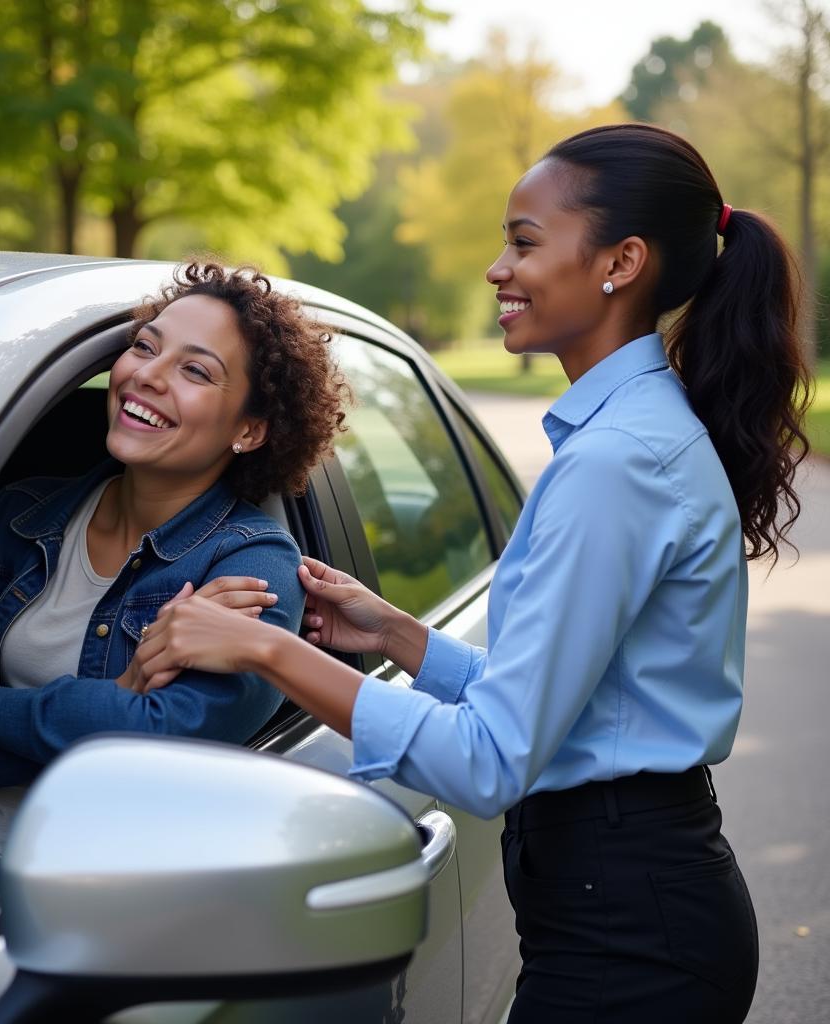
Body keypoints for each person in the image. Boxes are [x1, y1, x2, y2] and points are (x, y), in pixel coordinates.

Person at [132, 125, 812, 1023]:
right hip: (627, 907)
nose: (498, 268)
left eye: (525, 242)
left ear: (622, 262)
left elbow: (492, 760)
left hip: (629, 944)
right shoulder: (630, 435)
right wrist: (402, 639)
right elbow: (580, 709)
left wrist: (265, 650)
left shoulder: (618, 461)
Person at [0, 262, 348, 900]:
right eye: (146, 346)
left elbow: (155, 746)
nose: (147, 374)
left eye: (195, 370)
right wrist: (110, 703)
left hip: (98, 895)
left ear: (249, 430)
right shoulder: (16, 515)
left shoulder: (253, 568)